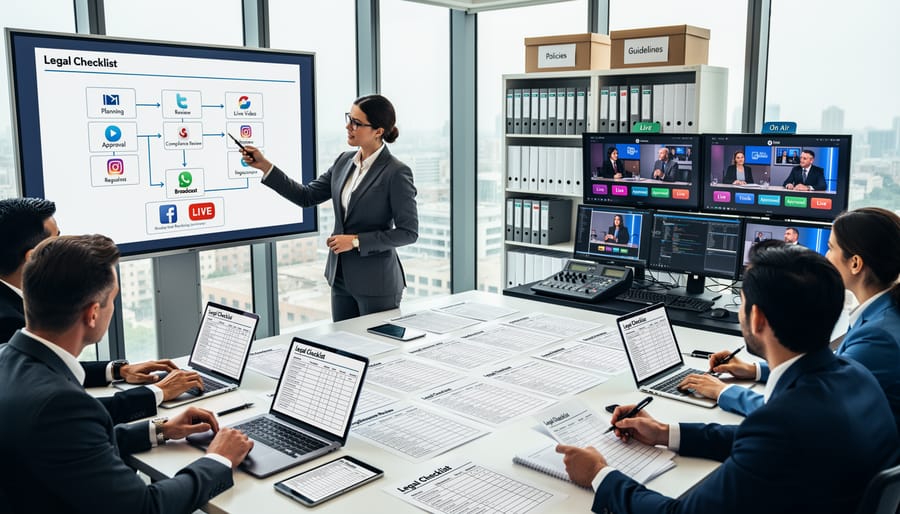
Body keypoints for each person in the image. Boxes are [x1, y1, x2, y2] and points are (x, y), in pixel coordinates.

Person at [556, 246, 899, 514]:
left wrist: (600, 475)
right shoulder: (856, 376)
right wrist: (666, 433)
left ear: (756, 317)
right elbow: (761, 442)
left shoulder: (783, 423)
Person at [0, 234, 254, 513]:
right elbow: (146, 507)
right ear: (93, 313)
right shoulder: (60, 405)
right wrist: (219, 459)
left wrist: (159, 430)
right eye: (112, 300)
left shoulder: (8, 359)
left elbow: (73, 450)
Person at [679, 207, 900, 427]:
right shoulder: (881, 312)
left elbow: (805, 413)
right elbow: (833, 366)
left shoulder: (878, 337)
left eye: (830, 248)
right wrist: (754, 370)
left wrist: (724, 391)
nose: (825, 256)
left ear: (855, 264)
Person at [0, 198, 203, 423]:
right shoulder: (6, 321)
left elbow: (50, 363)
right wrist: (158, 392)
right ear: (33, 257)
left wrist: (117, 371)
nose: (63, 244)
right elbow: (66, 411)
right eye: (56, 240)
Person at [239, 95, 418, 322]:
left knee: (377, 351)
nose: (348, 126)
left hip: (377, 283)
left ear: (378, 131)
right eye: (349, 118)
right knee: (343, 350)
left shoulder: (396, 172)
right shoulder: (344, 161)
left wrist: (355, 241)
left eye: (356, 123)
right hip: (340, 277)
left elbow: (408, 232)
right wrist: (264, 166)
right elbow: (307, 196)